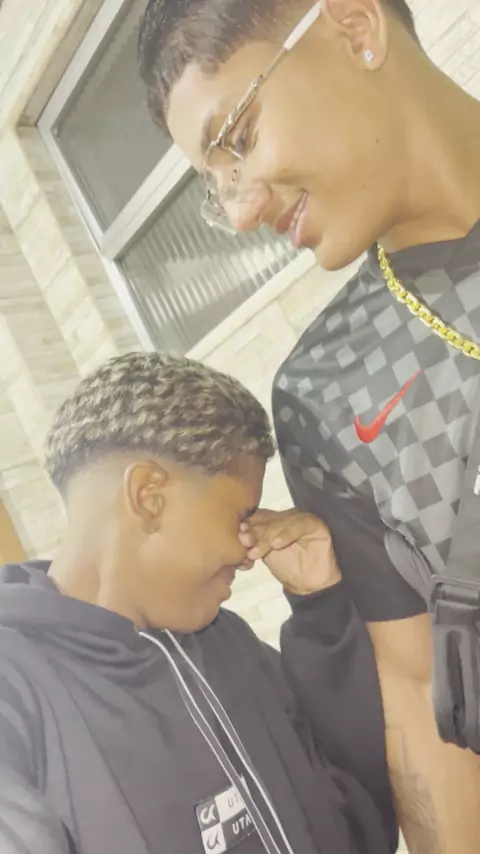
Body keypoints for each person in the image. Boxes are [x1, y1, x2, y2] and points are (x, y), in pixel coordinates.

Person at [137, 0, 480, 851]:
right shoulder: (327, 390)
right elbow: (419, 703)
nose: (240, 209)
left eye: (239, 138)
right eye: (215, 184)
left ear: (354, 27)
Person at [0, 352, 397, 854]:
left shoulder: (227, 643)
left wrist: (322, 613)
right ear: (149, 495)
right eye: (241, 514)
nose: (248, 548)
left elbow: (357, 812)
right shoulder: (14, 685)